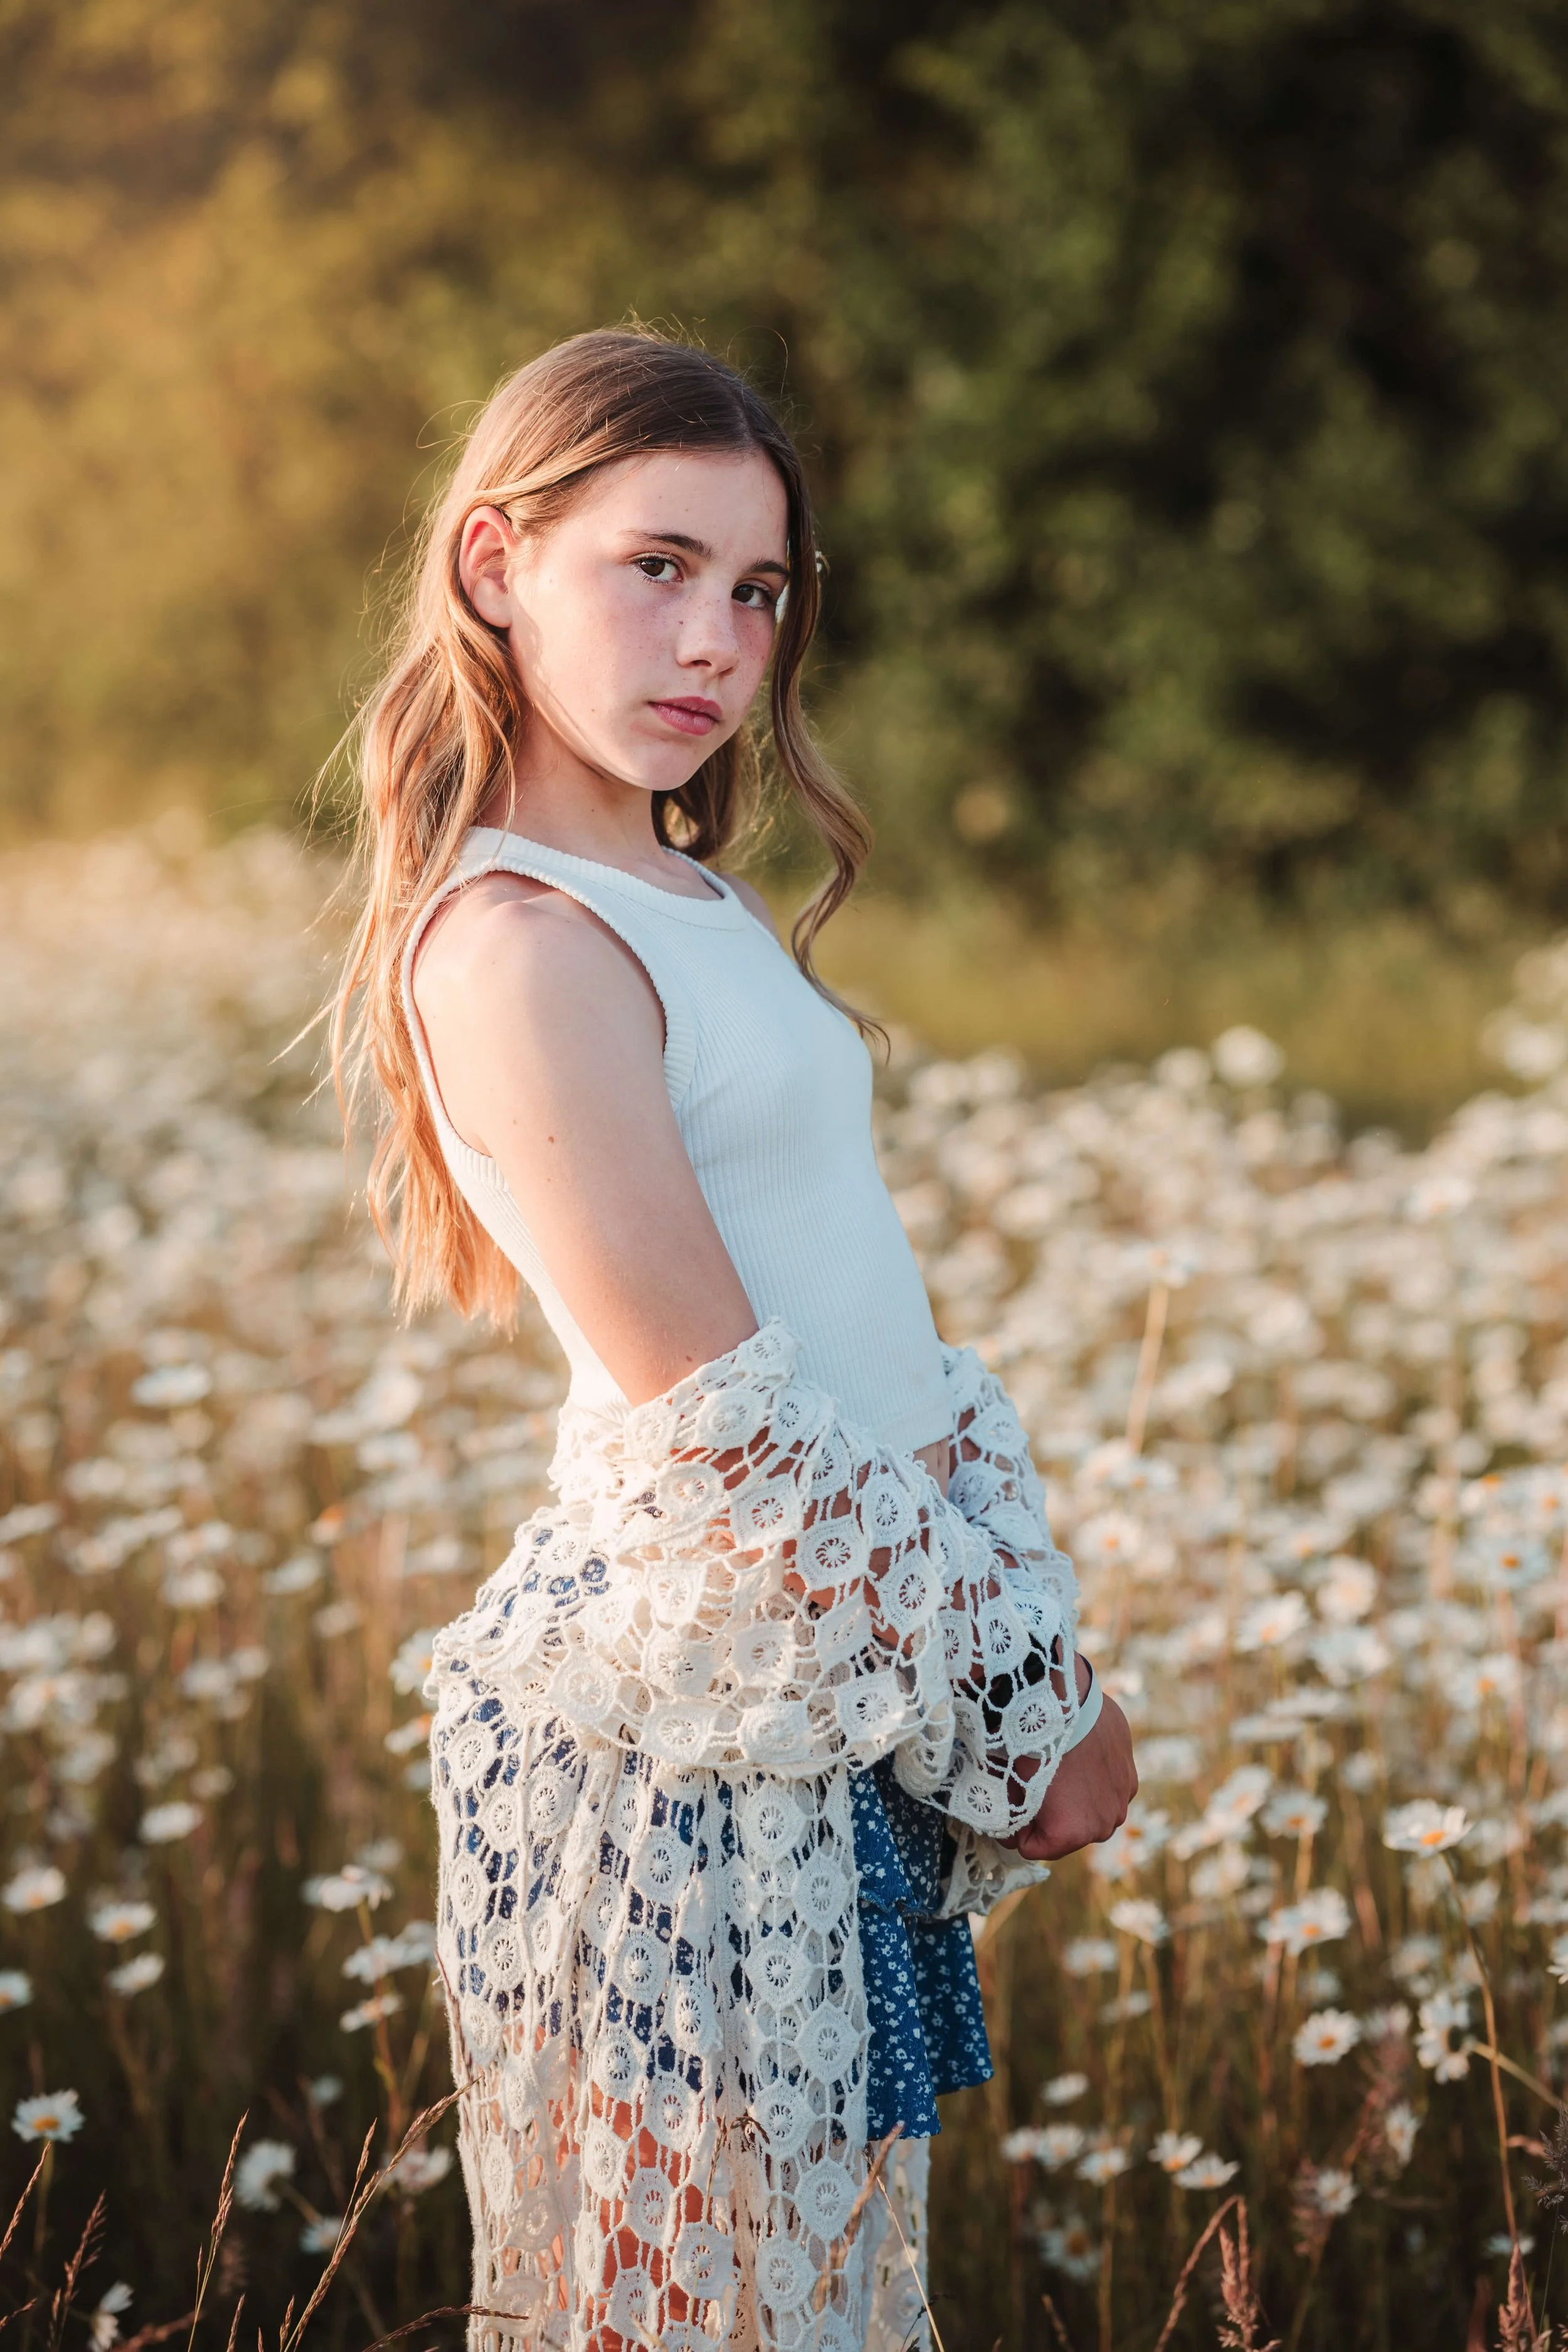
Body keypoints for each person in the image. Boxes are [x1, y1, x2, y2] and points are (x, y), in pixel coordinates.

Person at [334, 327, 1136, 2352]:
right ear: (496, 565)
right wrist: (1024, 1696)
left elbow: (856, 1314)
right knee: (691, 2317)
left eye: (756, 590)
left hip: (817, 1688)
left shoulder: (676, 895)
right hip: (677, 1731)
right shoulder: (515, 937)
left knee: (823, 2303)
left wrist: (998, 1604)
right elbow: (717, 1427)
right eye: (655, 566)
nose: (715, 638)